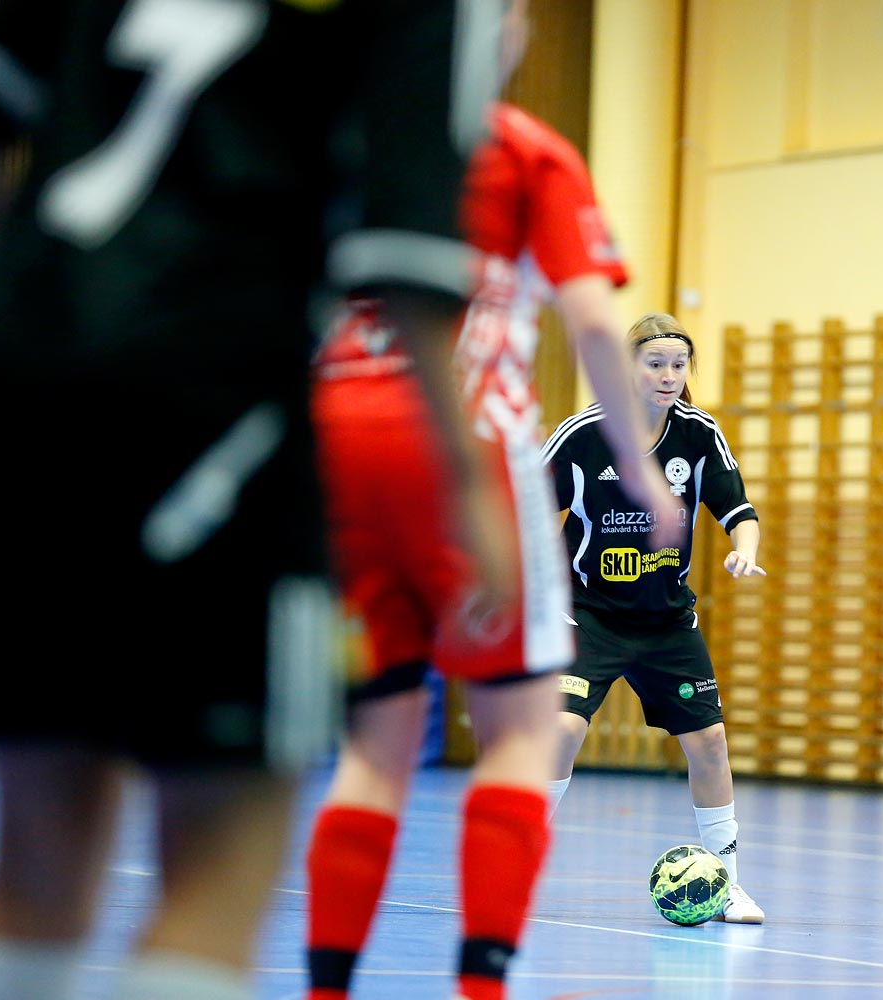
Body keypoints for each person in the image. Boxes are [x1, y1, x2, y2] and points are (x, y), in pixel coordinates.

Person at [0, 2, 507, 999]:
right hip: (219, 414)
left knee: (33, 873)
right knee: (216, 877)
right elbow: (405, 253)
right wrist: (470, 484)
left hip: (13, 393)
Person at [300, 10, 681, 1000]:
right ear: (502, 28)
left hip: (338, 435)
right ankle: (482, 984)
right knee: (517, 727)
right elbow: (594, 317)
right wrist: (638, 469)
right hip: (463, 435)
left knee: (374, 741)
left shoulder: (341, 133)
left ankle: (326, 985)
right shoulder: (524, 149)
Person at [541, 311, 768, 924]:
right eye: (656, 363)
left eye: (678, 364)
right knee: (562, 731)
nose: (669, 375)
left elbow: (737, 509)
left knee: (711, 742)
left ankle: (726, 885)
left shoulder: (697, 435)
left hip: (667, 620)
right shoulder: (583, 436)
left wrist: (744, 552)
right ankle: (514, 867)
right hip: (585, 614)